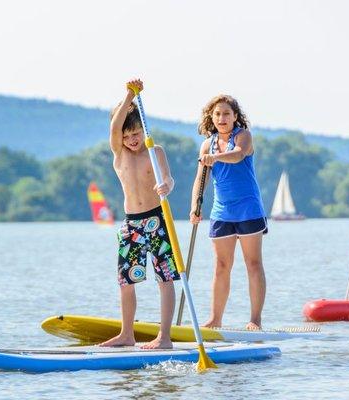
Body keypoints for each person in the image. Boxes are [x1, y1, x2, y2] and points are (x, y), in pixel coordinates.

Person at [100, 79, 180, 349]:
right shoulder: (119, 154)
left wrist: (166, 186)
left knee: (165, 278)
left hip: (157, 220)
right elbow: (115, 126)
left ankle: (165, 337)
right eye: (126, 136)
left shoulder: (155, 152)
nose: (132, 140)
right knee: (126, 281)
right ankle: (127, 334)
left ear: (143, 130)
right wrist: (128, 96)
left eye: (135, 134)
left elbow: (169, 179)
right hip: (131, 223)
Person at [189, 94, 267, 330]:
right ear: (211, 118)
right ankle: (215, 319)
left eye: (226, 114)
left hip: (248, 209)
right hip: (221, 212)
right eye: (217, 114)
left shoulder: (243, 136)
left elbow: (238, 155)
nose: (222, 118)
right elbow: (200, 180)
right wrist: (195, 207)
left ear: (235, 116)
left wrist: (214, 157)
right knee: (221, 266)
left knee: (253, 263)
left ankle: (255, 319)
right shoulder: (207, 144)